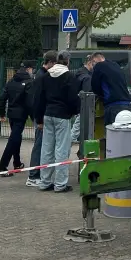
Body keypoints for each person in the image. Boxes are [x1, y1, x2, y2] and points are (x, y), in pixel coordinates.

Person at [31, 50, 78, 192]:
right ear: (68, 61)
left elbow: (39, 99)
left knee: (46, 149)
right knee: (61, 151)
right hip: (62, 116)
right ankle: (60, 184)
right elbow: (73, 99)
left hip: (47, 115)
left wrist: (39, 118)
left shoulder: (46, 76)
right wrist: (73, 112)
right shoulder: (69, 76)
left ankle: (45, 182)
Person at [0, 63, 32, 175]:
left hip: (11, 114)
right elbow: (30, 102)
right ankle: (2, 167)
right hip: (21, 116)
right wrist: (34, 116)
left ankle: (17, 163)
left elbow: (2, 99)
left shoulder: (10, 82)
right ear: (28, 69)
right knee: (13, 140)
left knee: (16, 138)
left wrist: (2, 114)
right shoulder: (29, 83)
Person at [86, 52, 131, 125]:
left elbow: (95, 87)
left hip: (113, 106)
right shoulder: (115, 65)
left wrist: (101, 96)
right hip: (127, 104)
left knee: (112, 133)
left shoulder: (98, 66)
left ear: (94, 61)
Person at [24, 59, 48, 187]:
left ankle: (36, 174)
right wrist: (39, 119)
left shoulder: (39, 75)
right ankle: (33, 175)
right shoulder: (41, 77)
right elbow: (37, 100)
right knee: (39, 145)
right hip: (40, 118)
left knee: (40, 145)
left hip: (39, 117)